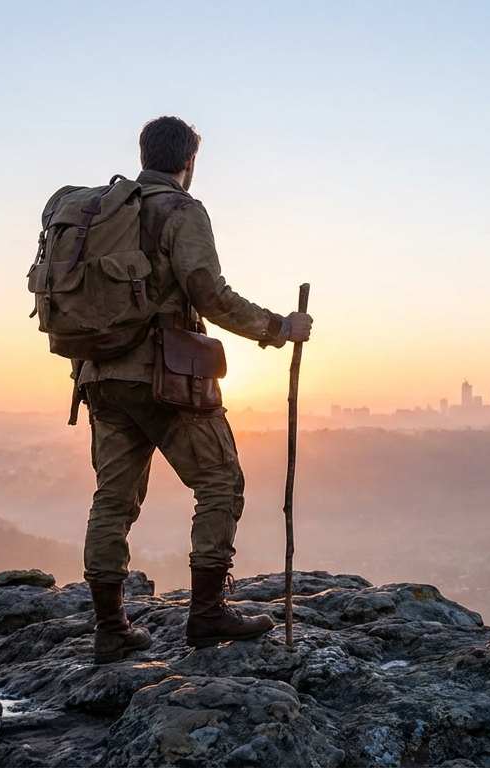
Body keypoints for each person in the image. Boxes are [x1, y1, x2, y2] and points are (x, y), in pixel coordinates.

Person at [80, 116, 312, 664]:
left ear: (143, 154)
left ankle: (110, 629)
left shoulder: (100, 212)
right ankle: (207, 614)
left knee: (112, 500)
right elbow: (208, 292)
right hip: (164, 376)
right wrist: (279, 328)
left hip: (98, 375)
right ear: (190, 162)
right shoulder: (180, 209)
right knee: (220, 481)